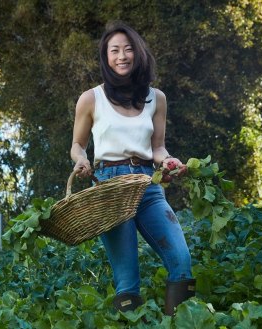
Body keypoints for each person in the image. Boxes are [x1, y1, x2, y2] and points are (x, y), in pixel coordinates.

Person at [70, 21, 196, 316]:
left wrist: (168, 162)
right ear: (106, 57)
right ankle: (131, 322)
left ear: (138, 54)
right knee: (127, 281)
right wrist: (81, 160)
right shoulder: (91, 99)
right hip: (109, 190)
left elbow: (158, 148)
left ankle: (182, 321)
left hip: (148, 186)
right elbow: (77, 144)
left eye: (128, 49)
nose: (122, 56)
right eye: (114, 50)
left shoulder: (157, 98)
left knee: (181, 259)